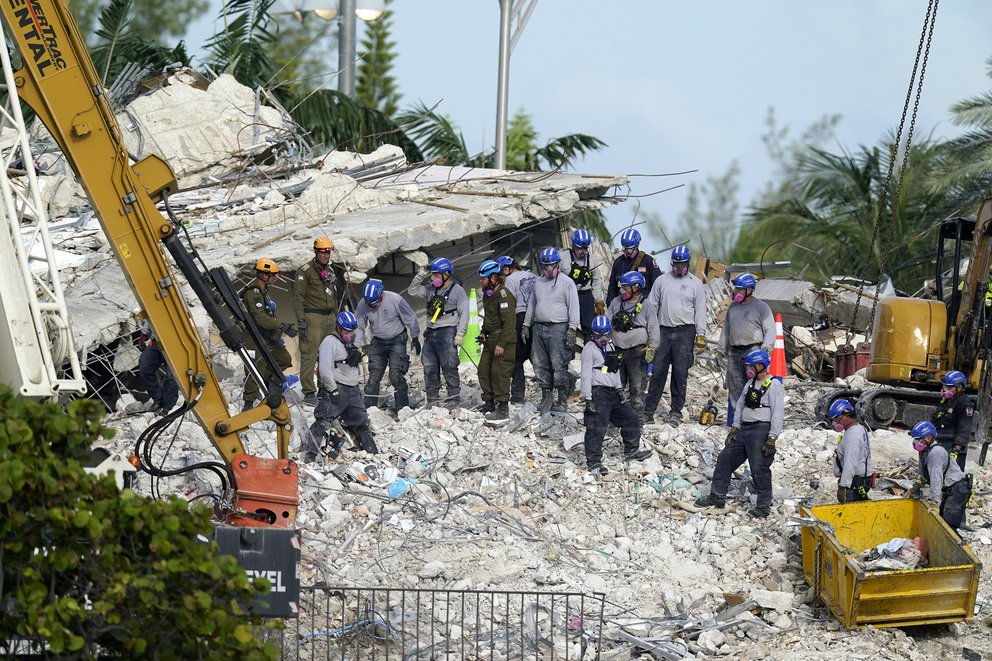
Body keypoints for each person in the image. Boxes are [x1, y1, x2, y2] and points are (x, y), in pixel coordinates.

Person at [695, 349, 783, 519]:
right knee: (725, 459)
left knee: (759, 467)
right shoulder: (749, 384)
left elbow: (778, 413)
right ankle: (717, 497)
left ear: (760, 365)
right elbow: (740, 406)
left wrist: (772, 438)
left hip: (761, 430)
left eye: (751, 366)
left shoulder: (774, 385)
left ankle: (763, 506)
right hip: (745, 429)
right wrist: (735, 427)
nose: (748, 369)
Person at [580, 316, 654, 475]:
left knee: (631, 418)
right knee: (597, 426)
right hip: (598, 392)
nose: (602, 339)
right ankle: (593, 461)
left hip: (613, 392)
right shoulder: (589, 348)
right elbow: (586, 374)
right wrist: (587, 398)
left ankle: (631, 451)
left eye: (605, 335)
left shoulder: (611, 346)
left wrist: (620, 389)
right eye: (598, 336)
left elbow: (614, 370)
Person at [644, 245, 708, 426]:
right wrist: (649, 332)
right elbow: (652, 306)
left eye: (683, 264)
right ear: (672, 263)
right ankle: (649, 411)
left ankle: (675, 411)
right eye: (676, 264)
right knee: (657, 372)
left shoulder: (695, 284)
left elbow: (700, 311)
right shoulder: (661, 281)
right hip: (663, 330)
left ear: (688, 263)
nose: (679, 268)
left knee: (680, 373)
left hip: (685, 332)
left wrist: (700, 335)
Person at [306, 311, 378, 462]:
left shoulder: (350, 342)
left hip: (352, 389)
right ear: (339, 328)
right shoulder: (329, 342)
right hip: (337, 388)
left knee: (361, 421)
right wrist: (332, 389)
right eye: (346, 331)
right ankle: (310, 456)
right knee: (322, 421)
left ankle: (372, 452)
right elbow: (325, 368)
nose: (350, 334)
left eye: (352, 331)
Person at [522, 247, 580, 414]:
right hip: (539, 328)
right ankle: (546, 395)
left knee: (558, 363)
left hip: (558, 327)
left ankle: (561, 399)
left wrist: (572, 328)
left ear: (558, 264)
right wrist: (526, 325)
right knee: (539, 363)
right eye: (545, 266)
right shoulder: (538, 282)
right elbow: (532, 304)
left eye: (552, 265)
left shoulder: (567, 283)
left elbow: (573, 307)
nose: (548, 269)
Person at [408, 257, 468, 409]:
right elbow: (412, 291)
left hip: (447, 332)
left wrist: (460, 333)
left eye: (436, 274)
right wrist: (420, 275)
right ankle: (432, 400)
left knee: (449, 366)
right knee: (429, 367)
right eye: (432, 274)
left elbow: (464, 313)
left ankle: (454, 398)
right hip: (431, 333)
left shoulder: (457, 291)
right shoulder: (430, 290)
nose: (433, 278)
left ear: (446, 274)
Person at [354, 279, 420, 412]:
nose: (372, 306)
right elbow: (359, 326)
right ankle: (369, 411)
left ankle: (402, 410)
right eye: (370, 304)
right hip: (378, 340)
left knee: (395, 375)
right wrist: (354, 346)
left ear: (381, 294)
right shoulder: (364, 304)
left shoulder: (395, 299)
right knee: (373, 377)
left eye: (375, 303)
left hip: (397, 339)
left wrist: (415, 337)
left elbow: (410, 318)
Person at [719, 272, 775, 425]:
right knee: (735, 387)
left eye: (740, 290)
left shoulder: (761, 307)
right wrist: (720, 349)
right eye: (736, 289)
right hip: (734, 352)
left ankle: (755, 420)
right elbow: (726, 330)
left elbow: (770, 330)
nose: (737, 292)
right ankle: (737, 423)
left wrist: (764, 350)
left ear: (750, 290)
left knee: (754, 386)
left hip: (753, 351)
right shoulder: (733, 308)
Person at [241, 258, 295, 412]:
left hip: (267, 335)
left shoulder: (264, 292)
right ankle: (248, 403)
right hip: (254, 336)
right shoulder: (254, 293)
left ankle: (267, 382)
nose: (275, 278)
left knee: (284, 359)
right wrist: (282, 326)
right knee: (256, 366)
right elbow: (259, 317)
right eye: (273, 275)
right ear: (264, 275)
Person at [293, 236, 338, 405]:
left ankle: (325, 387)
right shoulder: (305, 271)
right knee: (309, 354)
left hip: (329, 317)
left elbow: (334, 295)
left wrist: (337, 316)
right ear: (316, 252)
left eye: (328, 252)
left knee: (329, 354)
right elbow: (297, 298)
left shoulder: (331, 272)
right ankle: (309, 392)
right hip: (312, 317)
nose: (326, 256)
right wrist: (301, 320)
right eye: (323, 252)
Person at [605, 271, 658, 412]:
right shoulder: (615, 302)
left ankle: (637, 419)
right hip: (617, 351)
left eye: (626, 287)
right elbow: (606, 322)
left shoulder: (647, 305)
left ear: (636, 287)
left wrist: (652, 347)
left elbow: (653, 328)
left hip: (637, 352)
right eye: (621, 287)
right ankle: (614, 419)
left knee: (637, 387)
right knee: (615, 386)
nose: (622, 290)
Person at [908, 420, 973, 531]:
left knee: (948, 525)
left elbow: (936, 479)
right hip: (949, 487)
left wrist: (935, 503)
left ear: (928, 438)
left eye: (918, 439)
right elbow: (922, 474)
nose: (915, 442)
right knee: (942, 521)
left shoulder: (935, 453)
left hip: (957, 488)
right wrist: (914, 489)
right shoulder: (924, 451)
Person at [477, 260, 517, 423]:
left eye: (483, 278)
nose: (481, 281)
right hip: (490, 338)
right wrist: (484, 332)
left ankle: (502, 407)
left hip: (503, 339)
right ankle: (489, 402)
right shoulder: (489, 294)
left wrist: (501, 344)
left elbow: (509, 323)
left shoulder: (503, 295)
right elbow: (490, 318)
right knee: (484, 369)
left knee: (499, 372)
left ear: (493, 278)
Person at [498, 255, 536, 403]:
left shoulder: (509, 281)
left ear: (507, 269)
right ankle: (550, 391)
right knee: (537, 358)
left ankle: (518, 395)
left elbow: (508, 304)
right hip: (536, 318)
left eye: (500, 273)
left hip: (519, 317)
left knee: (517, 359)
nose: (500, 277)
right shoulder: (533, 276)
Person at [559, 229, 605, 339]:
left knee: (589, 328)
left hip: (585, 296)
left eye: (585, 248)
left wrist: (598, 301)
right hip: (566, 297)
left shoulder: (592, 259)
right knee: (564, 325)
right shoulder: (562, 257)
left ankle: (590, 348)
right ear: (573, 245)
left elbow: (597, 281)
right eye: (579, 248)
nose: (582, 252)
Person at [828, 399, 874, 502]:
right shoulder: (858, 429)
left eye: (836, 419)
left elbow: (850, 462)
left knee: (851, 511)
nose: (835, 423)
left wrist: (842, 487)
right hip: (858, 480)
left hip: (855, 482)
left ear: (846, 416)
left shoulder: (853, 435)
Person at [606, 228, 663, 303]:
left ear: (636, 246)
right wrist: (610, 305)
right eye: (625, 249)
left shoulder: (648, 261)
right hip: (622, 305)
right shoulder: (618, 262)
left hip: (643, 305)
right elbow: (612, 288)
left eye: (629, 250)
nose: (627, 252)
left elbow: (657, 285)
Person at [931, 370, 973, 470]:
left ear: (959, 387)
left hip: (951, 444)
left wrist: (956, 449)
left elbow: (965, 427)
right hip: (941, 441)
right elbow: (937, 418)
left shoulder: (964, 404)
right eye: (945, 387)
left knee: (951, 475)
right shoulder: (947, 400)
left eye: (949, 387)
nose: (945, 390)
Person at [136, 319, 179, 416]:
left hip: (174, 341)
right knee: (145, 368)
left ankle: (167, 407)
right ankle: (158, 400)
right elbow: (150, 313)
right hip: (156, 341)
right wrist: (145, 333)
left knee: (171, 376)